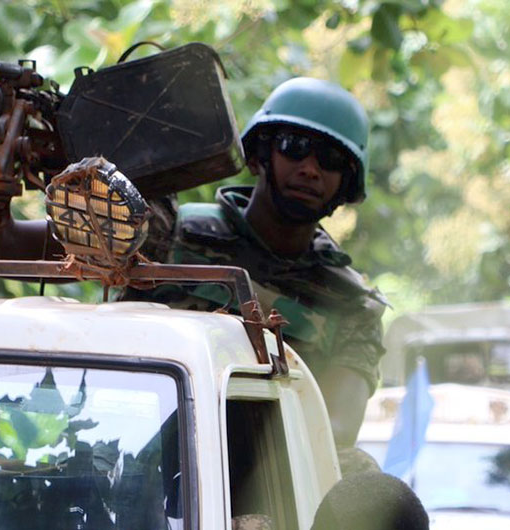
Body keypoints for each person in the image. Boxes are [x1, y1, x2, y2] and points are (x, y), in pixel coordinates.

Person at [122, 77, 388, 448]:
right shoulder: (167, 235)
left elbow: (335, 432)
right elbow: (39, 252)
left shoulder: (351, 306)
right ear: (261, 155)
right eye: (295, 148)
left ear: (346, 183)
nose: (311, 169)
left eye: (330, 159)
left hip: (263, 480)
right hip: (129, 440)